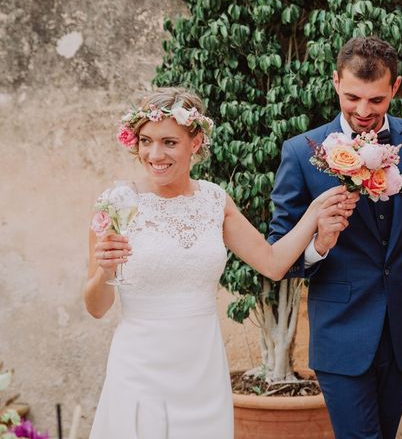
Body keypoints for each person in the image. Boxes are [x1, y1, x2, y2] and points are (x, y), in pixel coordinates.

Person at [85, 88, 357, 438]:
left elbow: (272, 264)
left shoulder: (214, 200)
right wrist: (105, 268)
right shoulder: (116, 203)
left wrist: (315, 213)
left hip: (202, 367)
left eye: (169, 142)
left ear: (195, 142)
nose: (155, 154)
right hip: (139, 369)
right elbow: (94, 306)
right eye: (145, 141)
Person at [268, 36, 402, 438]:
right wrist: (319, 244)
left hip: (401, 330)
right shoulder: (301, 153)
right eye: (352, 97)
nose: (362, 111)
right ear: (335, 81)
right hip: (341, 333)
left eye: (376, 100)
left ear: (395, 88)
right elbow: (278, 251)